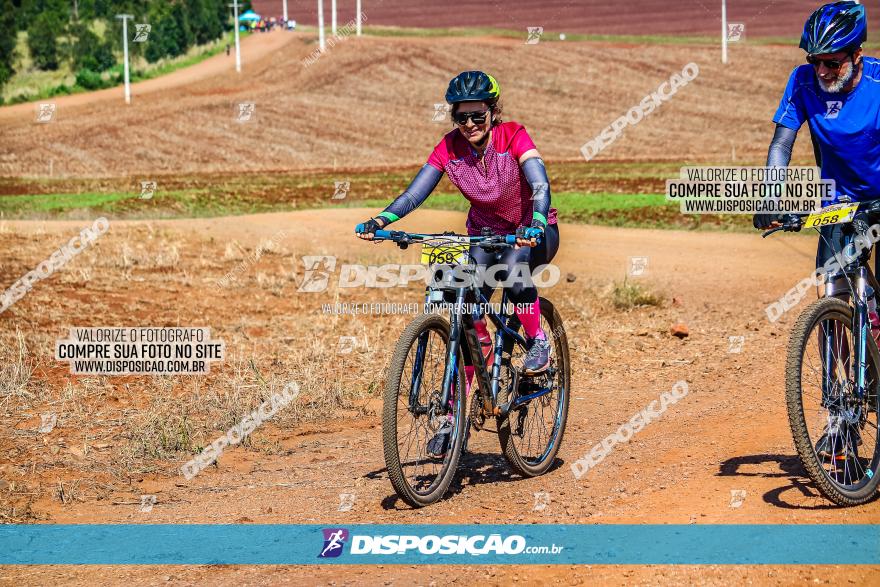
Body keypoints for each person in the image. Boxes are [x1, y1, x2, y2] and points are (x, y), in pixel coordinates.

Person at [355, 71, 560, 456]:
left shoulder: (514, 135)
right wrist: (382, 221)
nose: (469, 125)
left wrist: (535, 220)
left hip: (530, 230)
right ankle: (456, 414)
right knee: (465, 313)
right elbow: (416, 192)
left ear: (492, 112)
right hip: (483, 234)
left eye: (477, 116)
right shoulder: (449, 148)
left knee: (515, 272)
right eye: (460, 117)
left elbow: (539, 183)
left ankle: (538, 341)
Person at [754, 1, 879, 460]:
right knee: (832, 299)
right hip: (838, 207)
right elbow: (782, 143)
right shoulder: (803, 82)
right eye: (816, 61)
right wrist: (770, 198)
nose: (822, 70)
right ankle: (841, 419)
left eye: (833, 62)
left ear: (857, 55)